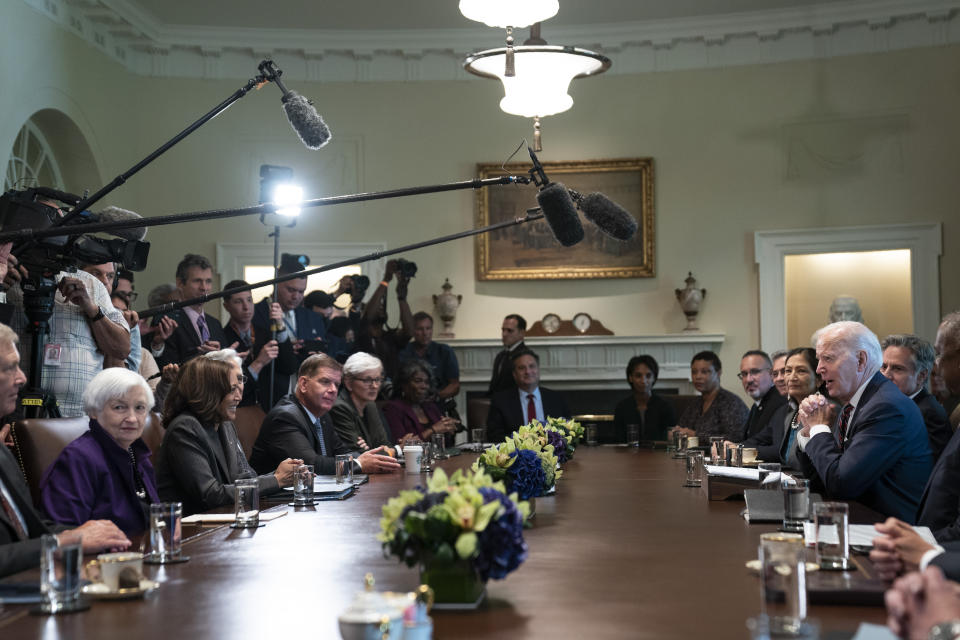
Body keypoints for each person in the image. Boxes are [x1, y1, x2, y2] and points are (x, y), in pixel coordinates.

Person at [0, 322, 131, 577]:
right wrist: (61, 543)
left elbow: (30, 528)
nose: (22, 378)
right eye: (9, 368)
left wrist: (87, 534)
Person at [796, 321, 931, 522]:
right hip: (858, 519)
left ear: (860, 360)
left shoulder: (886, 408)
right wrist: (808, 433)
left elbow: (842, 484)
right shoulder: (855, 404)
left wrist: (819, 428)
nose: (819, 369)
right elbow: (822, 481)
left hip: (889, 532)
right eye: (819, 359)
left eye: (828, 358)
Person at [155, 355, 300, 515]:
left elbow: (245, 479)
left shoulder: (224, 423)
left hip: (222, 521)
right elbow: (210, 495)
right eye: (231, 390)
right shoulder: (185, 427)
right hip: (188, 531)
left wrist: (283, 474)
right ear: (207, 392)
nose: (239, 397)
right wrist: (276, 480)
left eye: (239, 387)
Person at [39, 368, 159, 537]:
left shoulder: (139, 455)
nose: (132, 418)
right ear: (94, 411)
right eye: (119, 407)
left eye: (140, 408)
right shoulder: (77, 458)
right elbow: (65, 535)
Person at [251, 354, 400, 475]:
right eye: (325, 382)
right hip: (271, 504)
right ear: (303, 384)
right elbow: (310, 464)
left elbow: (342, 452)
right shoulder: (285, 417)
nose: (333, 390)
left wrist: (366, 458)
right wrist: (360, 464)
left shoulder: (322, 415)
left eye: (336, 384)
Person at [251, 254, 331, 411]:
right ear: (276, 284)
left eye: (301, 292)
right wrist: (286, 347)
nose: (296, 296)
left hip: (309, 398)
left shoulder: (312, 317)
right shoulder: (256, 313)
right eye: (291, 290)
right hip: (271, 396)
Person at [739, 348, 823, 468]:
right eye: (788, 371)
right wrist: (735, 448)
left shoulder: (825, 410)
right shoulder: (789, 414)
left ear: (819, 379)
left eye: (801, 371)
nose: (790, 377)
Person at [882, 334, 951, 463]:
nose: (886, 375)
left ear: (921, 375)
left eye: (897, 368)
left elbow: (928, 470)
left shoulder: (930, 413)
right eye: (884, 367)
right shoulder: (887, 406)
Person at [154, 254, 228, 368]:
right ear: (180, 283)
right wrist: (199, 359)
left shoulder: (215, 324)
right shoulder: (166, 320)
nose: (204, 287)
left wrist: (222, 357)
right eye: (197, 281)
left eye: (208, 281)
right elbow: (163, 366)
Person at [485, 349, 571, 443]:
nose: (528, 371)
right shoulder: (500, 401)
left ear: (538, 370)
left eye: (532, 366)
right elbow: (494, 435)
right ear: (514, 374)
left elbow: (568, 431)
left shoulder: (557, 399)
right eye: (522, 368)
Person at [354, 259, 414, 386]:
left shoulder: (389, 337)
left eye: (382, 305)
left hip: (391, 392)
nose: (380, 307)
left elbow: (409, 331)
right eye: (377, 306)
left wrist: (401, 297)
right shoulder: (361, 335)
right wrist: (386, 280)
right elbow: (368, 316)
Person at [221, 280, 279, 407]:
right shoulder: (222, 339)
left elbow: (289, 367)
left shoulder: (267, 333)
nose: (246, 306)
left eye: (249, 299)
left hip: (269, 408)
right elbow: (226, 390)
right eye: (238, 301)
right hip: (240, 410)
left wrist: (281, 325)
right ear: (226, 306)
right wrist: (258, 363)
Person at [671, 351, 749, 442]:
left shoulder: (732, 403)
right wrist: (675, 432)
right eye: (694, 372)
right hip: (693, 455)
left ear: (718, 373)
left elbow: (736, 438)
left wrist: (696, 436)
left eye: (704, 372)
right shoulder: (694, 403)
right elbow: (681, 428)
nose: (697, 377)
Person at [383, 359, 459, 446]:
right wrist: (432, 430)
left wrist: (448, 428)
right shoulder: (392, 409)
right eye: (418, 381)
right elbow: (400, 445)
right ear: (404, 384)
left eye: (426, 382)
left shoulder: (430, 407)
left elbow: (445, 444)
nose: (424, 386)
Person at [329, 352, 393, 451]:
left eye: (377, 379)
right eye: (367, 380)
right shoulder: (339, 408)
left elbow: (385, 445)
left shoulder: (370, 405)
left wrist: (388, 450)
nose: (375, 386)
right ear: (348, 383)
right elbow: (359, 453)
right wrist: (395, 450)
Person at [612, 355, 676, 442]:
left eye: (648, 376)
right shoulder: (622, 407)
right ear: (631, 378)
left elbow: (671, 439)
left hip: (658, 454)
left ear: (654, 378)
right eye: (638, 376)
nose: (643, 380)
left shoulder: (665, 406)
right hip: (628, 454)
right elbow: (618, 440)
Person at [399, 311, 460, 401]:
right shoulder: (404, 351)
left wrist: (437, 396)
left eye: (428, 328)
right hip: (409, 402)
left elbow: (455, 385)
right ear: (413, 331)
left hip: (438, 402)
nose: (425, 333)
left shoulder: (445, 351)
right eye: (420, 329)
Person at [737, 349, 787, 440]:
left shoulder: (781, 402)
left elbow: (776, 448)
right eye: (744, 374)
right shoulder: (756, 405)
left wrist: (737, 448)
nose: (749, 380)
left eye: (755, 372)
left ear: (771, 373)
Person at [487, 314, 526, 396]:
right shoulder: (501, 356)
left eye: (509, 331)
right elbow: (493, 387)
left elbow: (525, 389)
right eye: (503, 330)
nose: (504, 334)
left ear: (522, 333)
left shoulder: (526, 356)